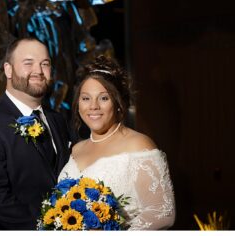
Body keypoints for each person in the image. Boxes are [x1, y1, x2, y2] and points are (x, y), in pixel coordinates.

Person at [58, 55, 175, 230]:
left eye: (103, 98)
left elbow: (162, 212)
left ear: (117, 102)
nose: (93, 106)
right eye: (86, 98)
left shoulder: (138, 144)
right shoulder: (76, 149)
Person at [0, 37, 71, 230]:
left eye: (45, 64)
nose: (38, 71)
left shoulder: (57, 120)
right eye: (28, 63)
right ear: (8, 69)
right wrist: (45, 229)